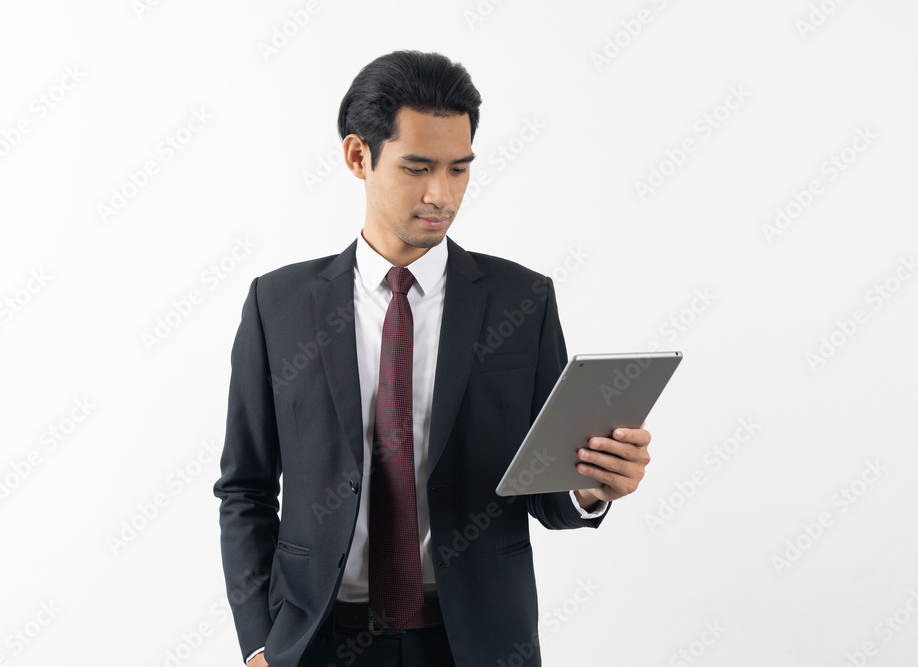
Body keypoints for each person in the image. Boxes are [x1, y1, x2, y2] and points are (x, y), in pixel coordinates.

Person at [213, 50, 653, 667]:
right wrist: (259, 644)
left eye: (459, 170)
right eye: (418, 167)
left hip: (474, 643)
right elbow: (245, 489)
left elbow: (546, 490)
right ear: (358, 157)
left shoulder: (521, 300)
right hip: (316, 643)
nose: (441, 194)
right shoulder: (277, 303)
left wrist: (592, 485)